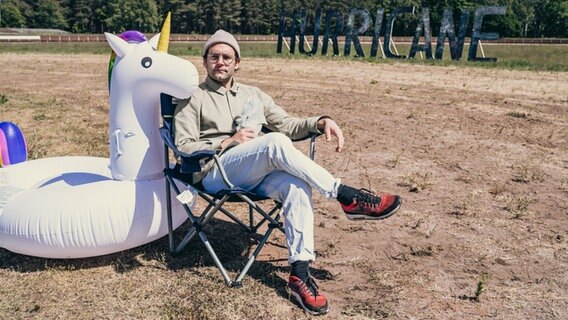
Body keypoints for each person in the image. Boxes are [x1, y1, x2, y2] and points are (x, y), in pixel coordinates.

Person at [174, 29, 402, 315]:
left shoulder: (253, 95)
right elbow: (183, 146)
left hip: (254, 172)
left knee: (296, 184)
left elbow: (287, 124)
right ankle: (346, 196)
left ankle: (299, 273)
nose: (220, 62)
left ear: (237, 62)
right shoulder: (193, 97)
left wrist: (321, 121)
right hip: (215, 172)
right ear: (205, 61)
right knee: (275, 142)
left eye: (227, 57)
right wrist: (227, 141)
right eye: (214, 57)